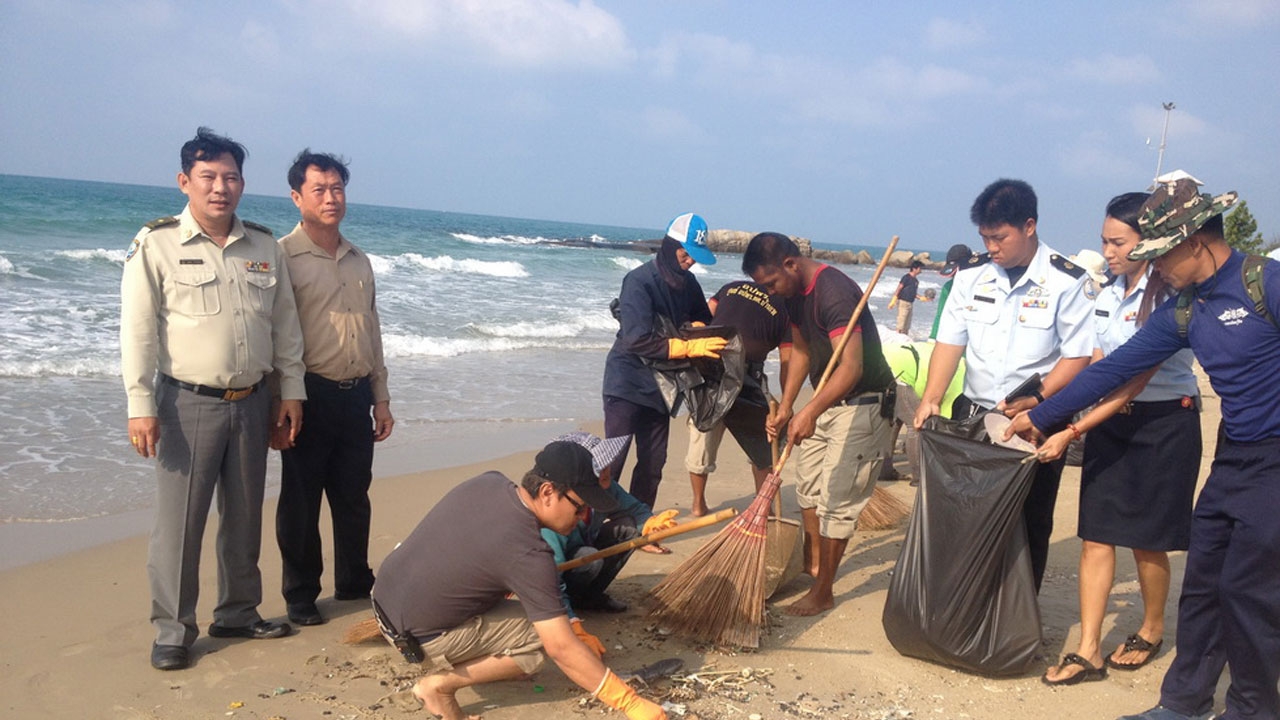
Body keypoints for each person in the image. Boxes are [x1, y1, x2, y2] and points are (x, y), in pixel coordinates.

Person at [1006, 176, 1280, 720]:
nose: (1154, 267)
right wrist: (1038, 415)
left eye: (1161, 255)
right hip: (1233, 455)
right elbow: (1116, 368)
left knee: (1249, 591)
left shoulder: (1264, 283)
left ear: (1195, 241)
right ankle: (1181, 703)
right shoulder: (1183, 308)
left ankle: (1253, 709)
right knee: (1203, 583)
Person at [121, 127, 306, 671]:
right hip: (186, 404)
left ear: (242, 183)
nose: (220, 187)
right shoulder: (156, 243)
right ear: (185, 182)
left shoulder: (264, 245)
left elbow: (285, 329)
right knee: (181, 524)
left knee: (245, 516)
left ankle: (238, 612)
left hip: (252, 400)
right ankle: (174, 629)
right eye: (208, 177)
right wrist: (140, 404)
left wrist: (289, 393)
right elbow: (137, 332)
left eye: (230, 177)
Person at [1033, 192, 1201, 686]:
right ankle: (1088, 650)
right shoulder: (1106, 294)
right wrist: (1038, 399)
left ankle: (1150, 629)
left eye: (1117, 242)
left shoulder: (1169, 297)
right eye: (1104, 241)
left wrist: (1070, 428)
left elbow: (1134, 377)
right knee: (1096, 535)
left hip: (1164, 424)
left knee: (1148, 544)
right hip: (1112, 425)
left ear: (1148, 242)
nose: (1107, 251)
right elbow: (1096, 364)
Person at [371, 440, 667, 720]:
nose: (583, 515)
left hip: (384, 598)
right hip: (415, 640)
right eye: (579, 507)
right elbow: (561, 647)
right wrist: (630, 702)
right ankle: (438, 686)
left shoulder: (489, 482)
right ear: (548, 491)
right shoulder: (530, 554)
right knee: (541, 642)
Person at [912, 178, 1094, 593]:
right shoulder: (972, 275)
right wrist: (932, 398)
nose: (992, 247)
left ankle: (1016, 617)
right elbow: (950, 341)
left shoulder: (1068, 281)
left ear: (1029, 226)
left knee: (1029, 521)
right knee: (964, 511)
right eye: (985, 238)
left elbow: (1078, 356)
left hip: (1036, 419)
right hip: (973, 414)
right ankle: (962, 603)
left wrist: (1040, 399)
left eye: (999, 237)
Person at [743, 231, 896, 616]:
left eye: (771, 282)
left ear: (791, 264)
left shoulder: (835, 293)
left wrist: (810, 410)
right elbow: (803, 353)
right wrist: (789, 406)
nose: (771, 292)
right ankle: (814, 567)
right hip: (826, 402)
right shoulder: (792, 297)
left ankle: (824, 590)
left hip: (863, 403)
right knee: (808, 489)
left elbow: (852, 367)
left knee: (838, 502)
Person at [272, 150, 394, 627]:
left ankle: (353, 581)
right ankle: (301, 593)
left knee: (352, 494)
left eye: (337, 188)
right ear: (297, 197)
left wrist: (380, 397)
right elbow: (275, 334)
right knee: (300, 501)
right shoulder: (282, 257)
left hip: (356, 393)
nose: (330, 198)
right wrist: (282, 398)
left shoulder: (359, 260)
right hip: (307, 395)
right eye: (319, 189)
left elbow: (373, 331)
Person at [603, 212, 720, 508]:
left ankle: (639, 525)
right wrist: (687, 348)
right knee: (613, 461)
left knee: (653, 463)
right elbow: (636, 339)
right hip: (627, 382)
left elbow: (703, 319)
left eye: (694, 256)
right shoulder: (639, 281)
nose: (690, 260)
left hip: (663, 386)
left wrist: (699, 329)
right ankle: (593, 529)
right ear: (669, 245)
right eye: (686, 253)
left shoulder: (690, 284)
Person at [542, 432, 679, 614]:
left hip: (586, 549)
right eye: (599, 466)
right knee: (589, 558)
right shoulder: (556, 511)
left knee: (628, 529)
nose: (607, 468)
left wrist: (650, 524)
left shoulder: (607, 487)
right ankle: (572, 602)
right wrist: (568, 620)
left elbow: (634, 509)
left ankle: (591, 596)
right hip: (558, 569)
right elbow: (551, 575)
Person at [686, 280, 791, 516]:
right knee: (768, 439)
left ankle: (698, 504)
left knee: (702, 435)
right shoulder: (786, 308)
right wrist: (786, 404)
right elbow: (787, 360)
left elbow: (705, 315)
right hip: (746, 376)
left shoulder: (731, 287)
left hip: (712, 367)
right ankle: (763, 508)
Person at [929, 243, 976, 340]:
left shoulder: (982, 285)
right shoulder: (948, 287)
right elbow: (940, 315)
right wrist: (933, 338)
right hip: (954, 340)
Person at [887, 260, 924, 334]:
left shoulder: (916, 281)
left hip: (910, 303)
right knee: (901, 322)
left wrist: (922, 298)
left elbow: (913, 293)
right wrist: (893, 300)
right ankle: (898, 336)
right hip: (903, 302)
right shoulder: (906, 277)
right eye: (920, 269)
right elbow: (899, 288)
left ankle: (905, 337)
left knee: (907, 324)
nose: (921, 271)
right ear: (914, 268)